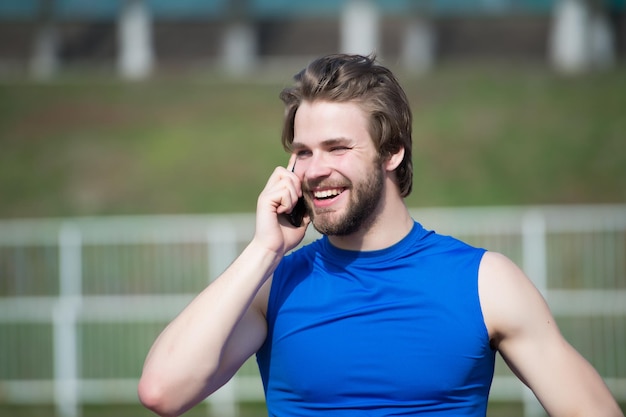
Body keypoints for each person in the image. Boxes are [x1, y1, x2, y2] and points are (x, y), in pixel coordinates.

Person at [137, 54, 623, 417]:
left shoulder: (484, 282)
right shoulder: (275, 283)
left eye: (337, 148)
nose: (315, 170)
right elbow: (163, 391)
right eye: (303, 152)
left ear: (391, 152)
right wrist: (265, 248)